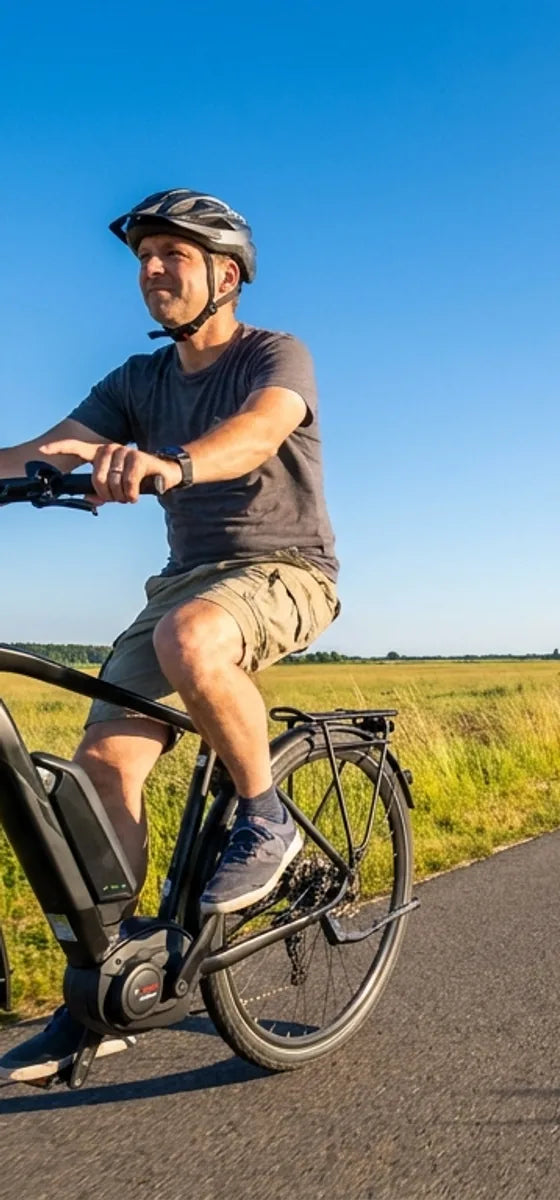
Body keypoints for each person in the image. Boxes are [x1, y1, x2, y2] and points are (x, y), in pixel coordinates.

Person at [0, 189, 340, 1083]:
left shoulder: (275, 354)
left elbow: (259, 431)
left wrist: (173, 463)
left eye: (171, 256)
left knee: (196, 637)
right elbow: (53, 445)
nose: (151, 271)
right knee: (104, 767)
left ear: (225, 275)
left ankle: (266, 821)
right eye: (144, 257)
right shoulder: (137, 381)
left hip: (286, 571)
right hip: (183, 586)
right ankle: (102, 989)